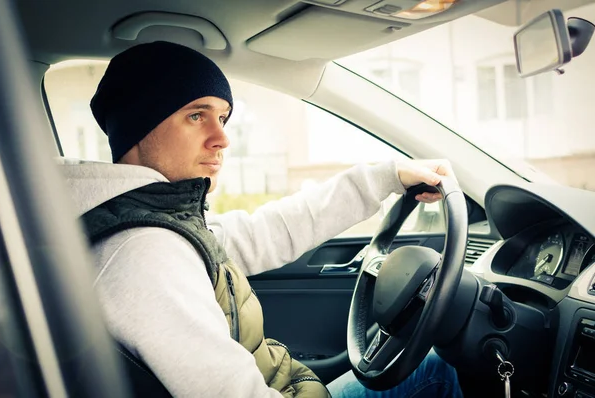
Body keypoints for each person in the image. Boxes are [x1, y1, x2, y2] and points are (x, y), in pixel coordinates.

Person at [63, 40, 463, 397]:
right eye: (196, 115)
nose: (222, 138)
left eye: (222, 118)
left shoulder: (161, 223)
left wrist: (386, 177)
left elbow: (270, 230)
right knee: (441, 370)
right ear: (139, 125)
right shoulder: (146, 252)